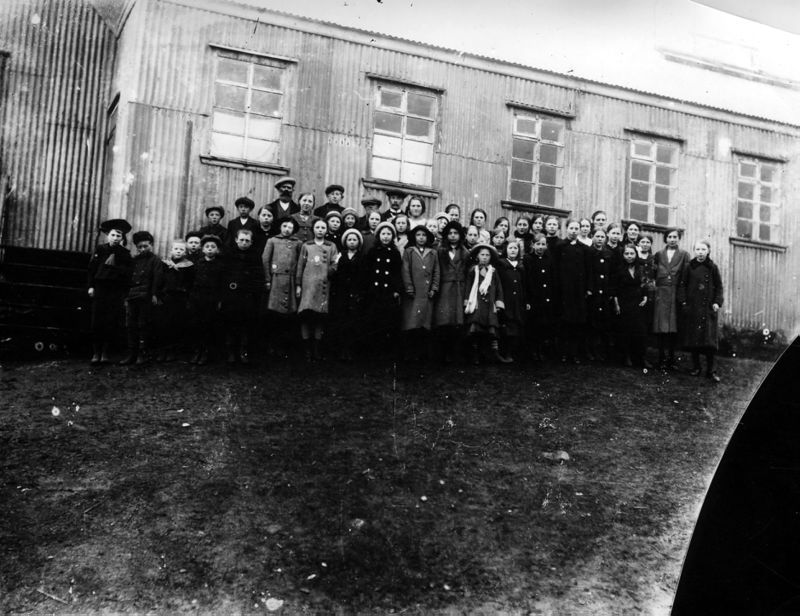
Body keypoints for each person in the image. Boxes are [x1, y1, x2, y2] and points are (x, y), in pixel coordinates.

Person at [87, 218, 133, 365]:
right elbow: (92, 269)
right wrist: (91, 286)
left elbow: (128, 275)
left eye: (118, 235)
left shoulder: (125, 254)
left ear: (122, 238)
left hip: (115, 290)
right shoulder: (100, 250)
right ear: (108, 235)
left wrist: (123, 292)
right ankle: (96, 352)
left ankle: (105, 353)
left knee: (110, 320)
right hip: (100, 288)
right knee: (97, 320)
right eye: (113, 235)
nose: (115, 238)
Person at [678, 239, 723, 382]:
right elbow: (682, 285)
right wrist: (684, 302)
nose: (700, 252)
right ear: (694, 251)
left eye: (703, 249)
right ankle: (696, 367)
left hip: (708, 309)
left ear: (708, 251)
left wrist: (717, 302)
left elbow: (719, 287)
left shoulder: (712, 267)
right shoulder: (689, 266)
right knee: (694, 339)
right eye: (698, 249)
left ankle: (711, 370)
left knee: (710, 342)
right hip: (693, 308)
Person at [296, 219, 339, 361]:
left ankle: (316, 349)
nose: (320, 230)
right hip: (308, 286)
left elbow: (335, 263)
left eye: (323, 228)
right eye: (317, 227)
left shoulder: (331, 246)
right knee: (305, 315)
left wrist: (328, 272)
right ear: (313, 229)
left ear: (326, 230)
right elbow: (300, 265)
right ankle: (307, 349)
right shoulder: (307, 245)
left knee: (320, 316)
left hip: (323, 286)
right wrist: (298, 285)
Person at [221, 228, 264, 364]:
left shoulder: (255, 256)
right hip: (231, 296)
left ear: (251, 242)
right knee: (230, 323)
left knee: (246, 324)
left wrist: (253, 292)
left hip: (247, 296)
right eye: (241, 240)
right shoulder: (229, 254)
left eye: (247, 240)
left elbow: (258, 277)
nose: (244, 243)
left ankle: (243, 350)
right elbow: (223, 275)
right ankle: (230, 351)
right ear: (236, 240)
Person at [119, 231, 162, 365]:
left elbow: (157, 278)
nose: (143, 249)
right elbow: (127, 279)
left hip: (146, 297)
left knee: (143, 324)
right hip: (132, 296)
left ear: (151, 245)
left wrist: (154, 294)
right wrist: (126, 296)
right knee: (130, 324)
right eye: (140, 247)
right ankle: (132, 353)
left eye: (145, 246)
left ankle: (142, 353)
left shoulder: (155, 260)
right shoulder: (134, 261)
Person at [262, 218, 302, 358]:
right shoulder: (272, 241)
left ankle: (284, 347)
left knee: (288, 316)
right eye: (284, 226)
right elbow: (265, 260)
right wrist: (268, 279)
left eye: (290, 227)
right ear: (280, 227)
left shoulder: (298, 243)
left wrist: (298, 283)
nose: (287, 229)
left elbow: (300, 263)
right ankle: (272, 345)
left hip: (291, 281)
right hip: (276, 281)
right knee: (274, 314)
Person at [362, 221, 403, 357]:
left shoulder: (395, 253)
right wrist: (367, 289)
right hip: (374, 291)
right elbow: (367, 271)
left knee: (387, 320)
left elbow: (398, 273)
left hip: (388, 292)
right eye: (383, 234)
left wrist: (396, 290)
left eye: (389, 234)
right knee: (373, 319)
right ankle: (372, 350)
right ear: (378, 235)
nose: (386, 237)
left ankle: (385, 351)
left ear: (393, 236)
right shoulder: (373, 251)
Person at [400, 224, 440, 361]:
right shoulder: (409, 251)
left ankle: (422, 353)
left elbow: (436, 271)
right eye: (418, 235)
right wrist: (409, 287)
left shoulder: (433, 253)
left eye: (424, 235)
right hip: (413, 293)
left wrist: (434, 288)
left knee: (425, 322)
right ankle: (410, 353)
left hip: (426, 293)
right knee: (411, 322)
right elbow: (405, 270)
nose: (421, 238)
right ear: (414, 237)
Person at [464, 243, 509, 364]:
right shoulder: (473, 271)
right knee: (476, 330)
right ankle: (475, 354)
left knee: (491, 329)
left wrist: (499, 303)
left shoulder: (493, 271)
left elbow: (498, 288)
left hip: (490, 304)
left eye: (487, 255)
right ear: (477, 256)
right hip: (477, 304)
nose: (484, 257)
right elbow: (468, 287)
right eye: (482, 255)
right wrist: (467, 302)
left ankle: (494, 353)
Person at [553, 219, 590, 364]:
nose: (574, 231)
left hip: (578, 291)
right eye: (571, 228)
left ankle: (574, 353)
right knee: (564, 322)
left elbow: (587, 270)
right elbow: (555, 268)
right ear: (566, 229)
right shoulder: (559, 246)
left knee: (577, 322)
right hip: (563, 290)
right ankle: (563, 352)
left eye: (576, 228)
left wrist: (587, 288)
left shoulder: (584, 249)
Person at [653, 228, 690, 369]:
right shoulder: (658, 254)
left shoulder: (684, 255)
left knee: (673, 327)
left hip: (675, 293)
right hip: (661, 293)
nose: (672, 239)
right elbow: (654, 273)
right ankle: (661, 358)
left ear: (679, 239)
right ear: (665, 238)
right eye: (670, 237)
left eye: (675, 237)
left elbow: (686, 276)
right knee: (661, 326)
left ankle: (671, 359)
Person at [434, 221, 469, 363]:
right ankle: (442, 354)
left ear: (460, 235)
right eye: (450, 233)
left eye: (456, 233)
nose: (453, 236)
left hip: (459, 288)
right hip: (445, 288)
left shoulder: (465, 252)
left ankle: (455, 354)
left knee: (457, 321)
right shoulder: (440, 251)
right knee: (444, 320)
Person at [187, 235, 225, 365]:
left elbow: (222, 285)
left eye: (213, 247)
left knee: (208, 325)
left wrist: (219, 300)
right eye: (207, 246)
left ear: (217, 250)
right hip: (197, 298)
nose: (209, 249)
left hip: (211, 300)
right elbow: (191, 282)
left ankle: (205, 352)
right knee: (196, 325)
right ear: (202, 249)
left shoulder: (220, 265)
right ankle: (197, 351)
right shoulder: (197, 264)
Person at [155, 239, 195, 362]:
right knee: (163, 324)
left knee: (175, 324)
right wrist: (158, 295)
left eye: (181, 249)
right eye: (176, 249)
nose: (178, 251)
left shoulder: (189, 266)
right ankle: (162, 350)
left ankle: (172, 351)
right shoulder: (164, 264)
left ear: (185, 252)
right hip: (165, 298)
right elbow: (159, 281)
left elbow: (190, 284)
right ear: (171, 250)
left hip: (179, 299)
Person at [613, 244, 651, 369]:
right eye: (626, 254)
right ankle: (626, 357)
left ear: (636, 255)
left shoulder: (641, 268)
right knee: (625, 331)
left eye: (632, 253)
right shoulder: (618, 270)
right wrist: (616, 304)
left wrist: (645, 297)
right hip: (624, 303)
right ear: (623, 255)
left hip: (638, 303)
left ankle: (641, 357)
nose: (629, 256)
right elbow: (614, 288)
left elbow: (644, 284)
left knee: (640, 332)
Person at [331, 228, 365, 361]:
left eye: (354, 240)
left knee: (353, 321)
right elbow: (335, 272)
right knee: (341, 320)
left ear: (359, 242)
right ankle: (341, 350)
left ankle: (351, 350)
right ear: (345, 242)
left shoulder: (362, 256)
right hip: (341, 291)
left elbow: (364, 275)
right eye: (349, 239)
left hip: (355, 292)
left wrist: (359, 292)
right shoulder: (341, 255)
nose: (352, 242)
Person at [524, 233, 557, 361]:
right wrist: (528, 299)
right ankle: (533, 350)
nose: (540, 247)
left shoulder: (549, 259)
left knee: (545, 325)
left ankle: (542, 350)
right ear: (533, 245)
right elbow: (526, 280)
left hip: (547, 297)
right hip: (534, 298)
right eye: (538, 244)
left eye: (543, 244)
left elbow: (552, 279)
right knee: (534, 325)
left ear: (546, 246)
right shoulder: (528, 259)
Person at [586, 227, 615, 362]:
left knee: (603, 321)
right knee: (591, 321)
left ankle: (600, 350)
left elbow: (612, 274)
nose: (599, 239)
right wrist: (589, 288)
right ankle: (589, 350)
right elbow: (587, 272)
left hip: (604, 292)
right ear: (592, 237)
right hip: (593, 292)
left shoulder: (609, 253)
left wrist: (610, 291)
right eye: (597, 236)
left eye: (602, 237)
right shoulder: (588, 252)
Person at [496, 239, 528, 362]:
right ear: (506, 250)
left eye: (515, 248)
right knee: (506, 325)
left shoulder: (521, 266)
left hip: (518, 301)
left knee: (516, 325)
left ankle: (512, 352)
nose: (513, 250)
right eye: (510, 248)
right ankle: (503, 352)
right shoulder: (502, 265)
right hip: (506, 300)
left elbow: (524, 285)